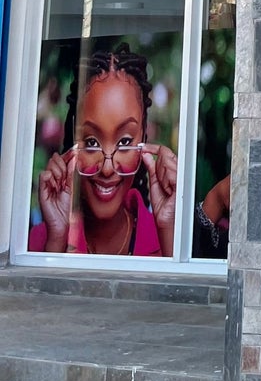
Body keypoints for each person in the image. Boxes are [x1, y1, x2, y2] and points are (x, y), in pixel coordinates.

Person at [32, 44, 178, 257]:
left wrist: (167, 231)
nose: (108, 168)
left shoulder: (168, 237)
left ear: (144, 141)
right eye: (91, 142)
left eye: (125, 142)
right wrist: (57, 240)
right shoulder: (39, 241)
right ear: (75, 140)